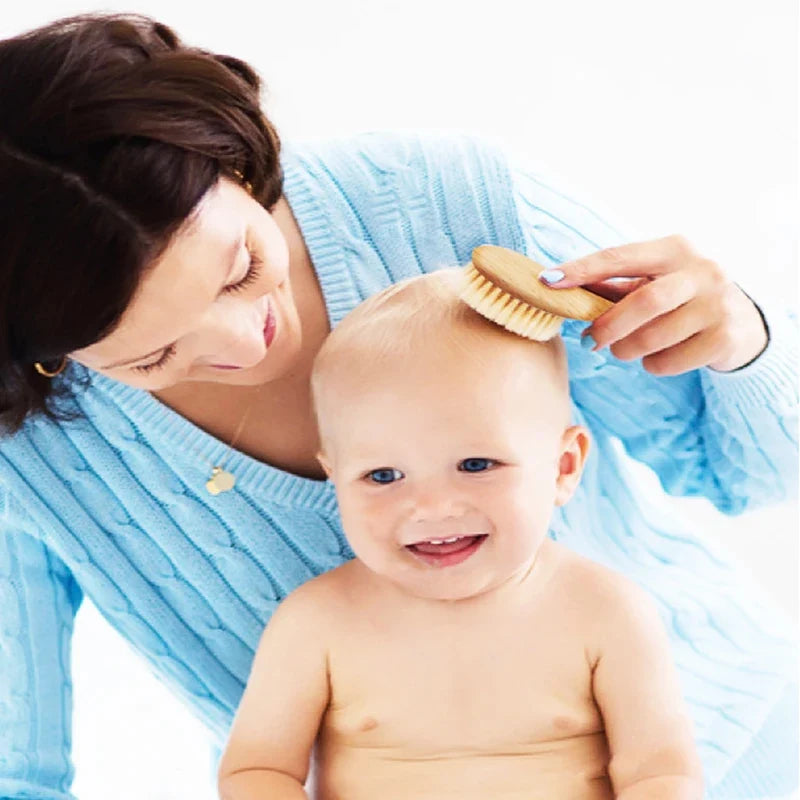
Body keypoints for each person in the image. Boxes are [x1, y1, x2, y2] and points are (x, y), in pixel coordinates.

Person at [0, 13, 795, 800]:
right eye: (152, 357)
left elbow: (748, 477)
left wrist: (742, 341)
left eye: (240, 269)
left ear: (233, 159)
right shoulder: (21, 452)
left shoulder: (444, 201)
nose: (246, 346)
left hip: (738, 749)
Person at [217, 269, 705, 799]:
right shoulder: (317, 622)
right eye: (382, 476)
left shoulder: (604, 610)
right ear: (335, 478)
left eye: (476, 464)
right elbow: (256, 772)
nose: (431, 507)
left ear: (562, 467)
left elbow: (661, 772)